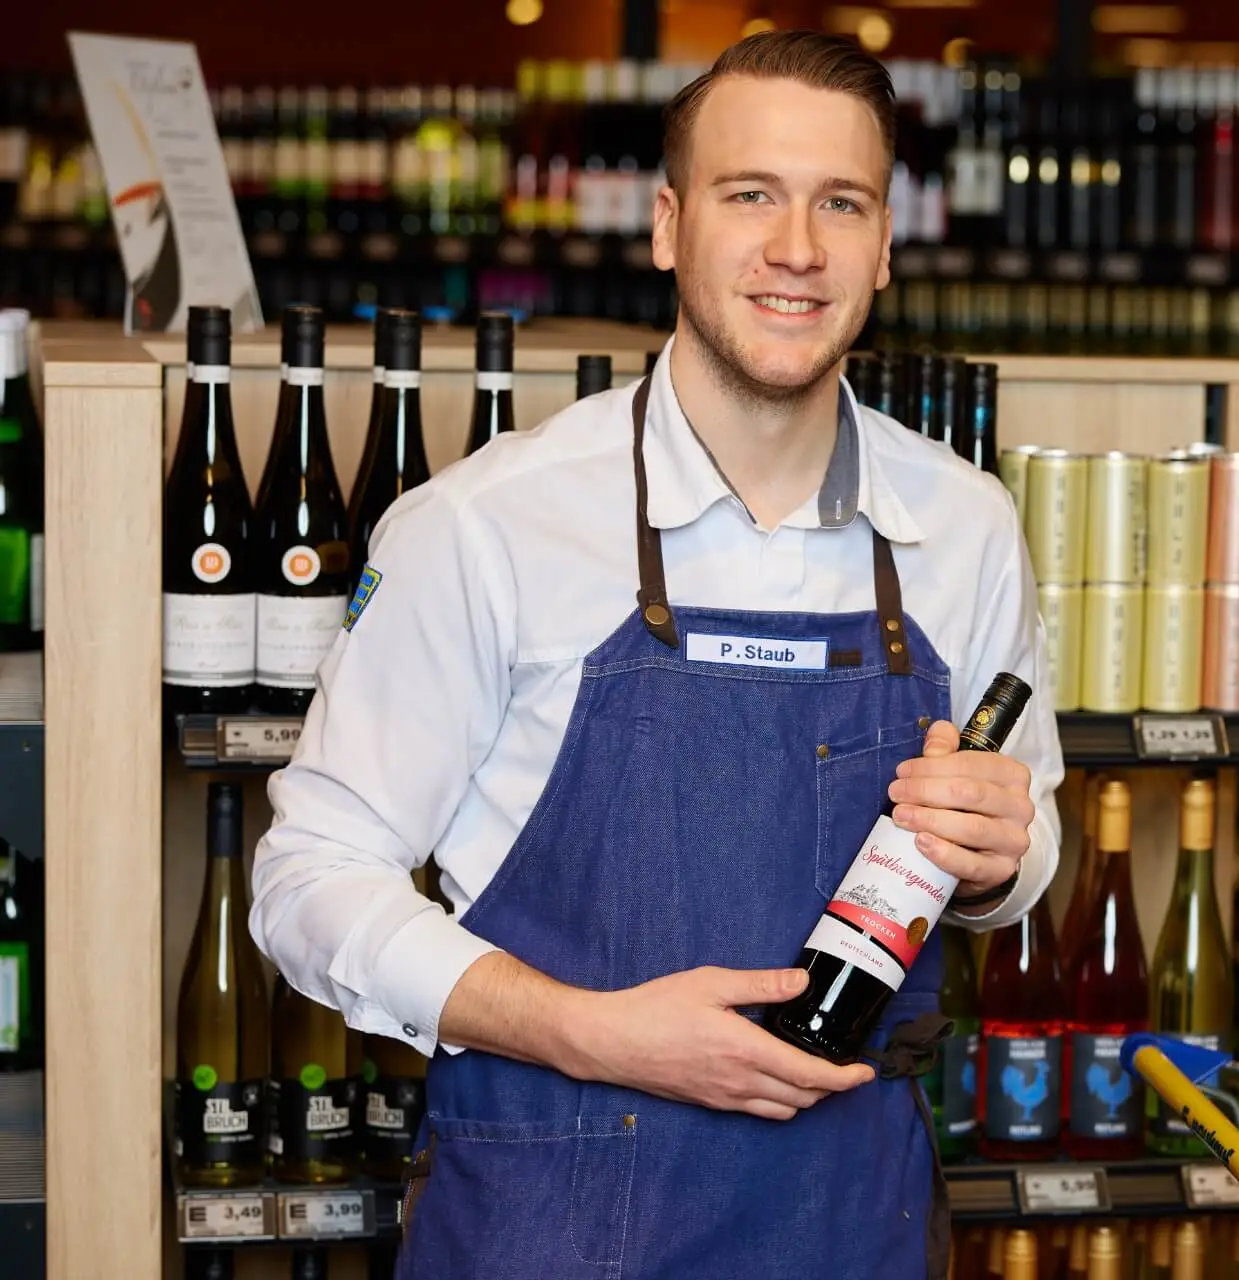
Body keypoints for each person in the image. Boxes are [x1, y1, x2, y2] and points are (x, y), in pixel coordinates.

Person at [249, 31, 1062, 1280]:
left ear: (888, 245)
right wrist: (591, 1032)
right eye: (752, 195)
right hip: (546, 1217)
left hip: (854, 1220)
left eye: (840, 202)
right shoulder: (489, 525)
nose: (798, 246)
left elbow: (1023, 844)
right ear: (669, 225)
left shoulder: (962, 526)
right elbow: (307, 877)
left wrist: (1004, 858)